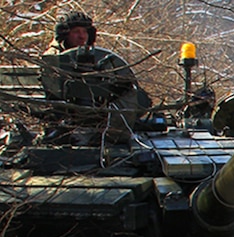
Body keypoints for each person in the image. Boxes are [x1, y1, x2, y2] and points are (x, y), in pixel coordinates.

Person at [39, 11, 151, 145]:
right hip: (70, 118)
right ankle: (113, 135)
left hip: (93, 116)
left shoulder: (94, 56)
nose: (81, 36)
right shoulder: (55, 59)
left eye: (85, 32)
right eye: (76, 32)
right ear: (65, 35)